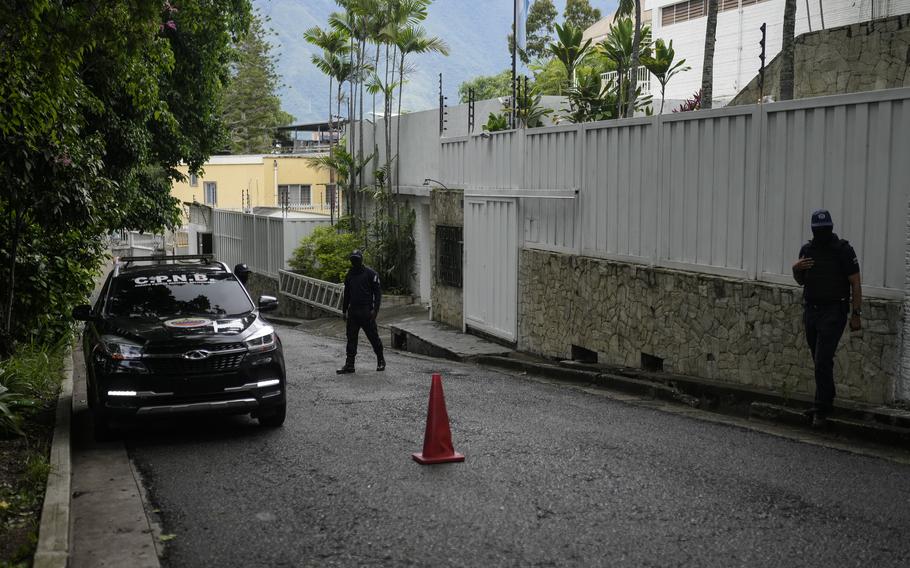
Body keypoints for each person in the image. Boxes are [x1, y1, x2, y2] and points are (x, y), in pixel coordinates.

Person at [792, 209, 862, 427]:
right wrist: (795, 268)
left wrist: (856, 314)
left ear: (831, 228)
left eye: (825, 228)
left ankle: (820, 409)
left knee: (822, 359)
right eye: (818, 229)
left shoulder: (843, 250)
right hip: (812, 310)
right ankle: (826, 399)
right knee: (819, 359)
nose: (821, 232)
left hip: (834, 311)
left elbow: (855, 283)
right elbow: (800, 281)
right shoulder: (807, 250)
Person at [337, 250, 385, 374]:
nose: (355, 261)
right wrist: (344, 311)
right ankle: (349, 365)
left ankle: (380, 360)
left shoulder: (370, 274)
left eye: (357, 259)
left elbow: (378, 293)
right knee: (351, 339)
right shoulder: (350, 275)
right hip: (353, 312)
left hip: (366, 311)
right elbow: (347, 294)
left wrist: (375, 310)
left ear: (361, 260)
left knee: (373, 337)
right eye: (353, 259)